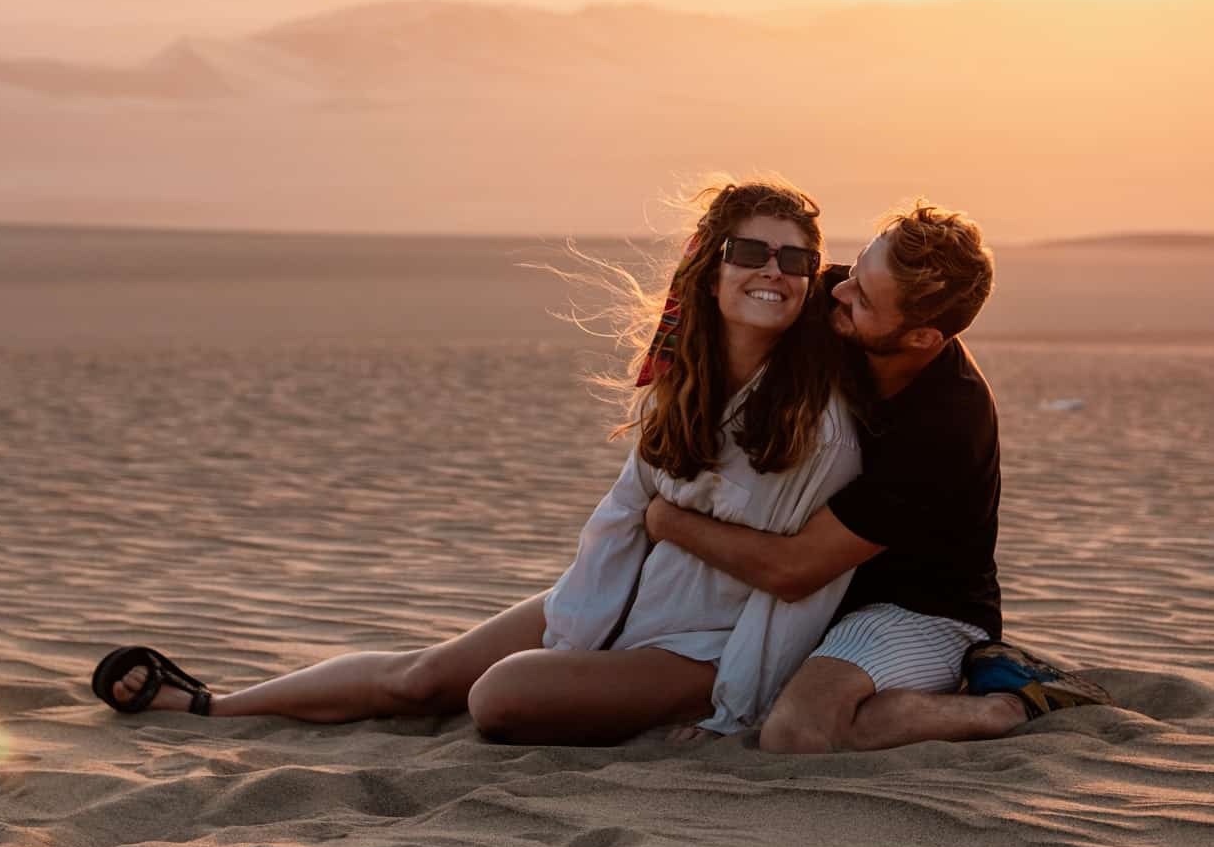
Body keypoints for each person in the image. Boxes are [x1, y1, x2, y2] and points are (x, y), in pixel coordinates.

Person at [90, 176, 863, 745]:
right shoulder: (677, 388)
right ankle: (210, 707)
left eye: (796, 261)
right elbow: (625, 523)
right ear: (709, 266)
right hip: (617, 602)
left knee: (499, 698)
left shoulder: (811, 417)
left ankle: (654, 702)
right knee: (421, 679)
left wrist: (741, 699)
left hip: (703, 648)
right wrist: (584, 617)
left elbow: (793, 583)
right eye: (752, 251)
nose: (774, 271)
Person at [644, 200, 1110, 752]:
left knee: (799, 732)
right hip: (814, 595)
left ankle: (1006, 704)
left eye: (862, 298)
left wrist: (664, 517)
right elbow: (708, 283)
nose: (835, 290)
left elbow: (793, 571)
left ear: (920, 339)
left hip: (915, 609)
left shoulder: (946, 426)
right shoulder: (842, 295)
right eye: (855, 269)